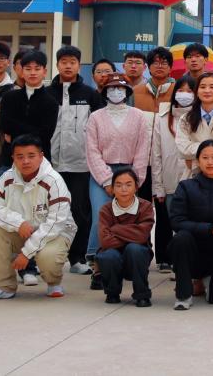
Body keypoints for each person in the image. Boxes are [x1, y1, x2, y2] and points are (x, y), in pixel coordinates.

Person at [0, 134, 76, 301]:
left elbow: (56, 223)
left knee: (48, 257)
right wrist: (18, 223)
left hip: (55, 233)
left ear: (41, 156)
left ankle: (53, 282)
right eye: (20, 157)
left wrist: (25, 253)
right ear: (13, 158)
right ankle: (3, 286)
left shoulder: (54, 180)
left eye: (31, 156)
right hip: (22, 230)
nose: (25, 161)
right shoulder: (7, 177)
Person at [84, 73, 151, 275]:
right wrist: (107, 180)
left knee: (127, 217)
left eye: (120, 88)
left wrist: (135, 179)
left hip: (129, 173)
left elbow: (142, 149)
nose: (116, 92)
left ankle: (125, 258)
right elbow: (92, 151)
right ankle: (97, 259)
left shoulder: (139, 116)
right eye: (111, 88)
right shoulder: (95, 117)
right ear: (105, 92)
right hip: (102, 172)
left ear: (127, 91)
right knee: (101, 214)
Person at [47, 45, 101, 275]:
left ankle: (77, 258)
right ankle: (46, 257)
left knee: (80, 212)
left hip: (80, 164)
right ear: (57, 65)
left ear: (79, 65)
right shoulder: (46, 94)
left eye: (72, 62)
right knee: (49, 212)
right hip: (50, 165)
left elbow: (98, 128)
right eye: (64, 62)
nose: (68, 66)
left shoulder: (90, 94)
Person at [169, 140, 213, 308]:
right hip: (190, 252)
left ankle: (210, 280)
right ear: (198, 161)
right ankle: (183, 296)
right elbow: (177, 221)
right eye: (205, 157)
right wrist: (210, 229)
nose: (210, 162)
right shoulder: (185, 187)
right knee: (181, 238)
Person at [149, 75, 196, 274]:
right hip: (168, 178)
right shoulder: (162, 117)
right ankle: (166, 258)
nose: (185, 95)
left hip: (192, 178)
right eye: (181, 90)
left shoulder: (199, 116)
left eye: (189, 91)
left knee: (189, 222)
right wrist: (158, 186)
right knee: (167, 220)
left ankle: (186, 262)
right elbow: (156, 154)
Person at [95, 166, 155, 307]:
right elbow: (105, 242)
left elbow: (142, 236)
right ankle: (112, 293)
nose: (123, 189)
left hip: (136, 258)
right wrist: (132, 234)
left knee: (135, 249)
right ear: (112, 189)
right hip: (113, 258)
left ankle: (142, 294)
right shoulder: (106, 210)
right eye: (118, 185)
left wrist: (115, 229)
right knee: (108, 255)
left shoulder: (145, 207)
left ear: (136, 187)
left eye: (128, 185)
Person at [0, 49, 56, 169]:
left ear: (44, 72)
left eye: (37, 69)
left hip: (40, 161)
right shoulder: (9, 97)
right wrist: (33, 129)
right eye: (28, 69)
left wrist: (14, 134)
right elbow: (5, 125)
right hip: (10, 160)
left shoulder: (51, 102)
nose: (32, 73)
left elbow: (45, 134)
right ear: (22, 71)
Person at [133, 47, 175, 112]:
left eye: (164, 63)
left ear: (170, 68)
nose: (160, 66)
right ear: (149, 67)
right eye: (155, 63)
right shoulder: (135, 91)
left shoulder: (177, 90)